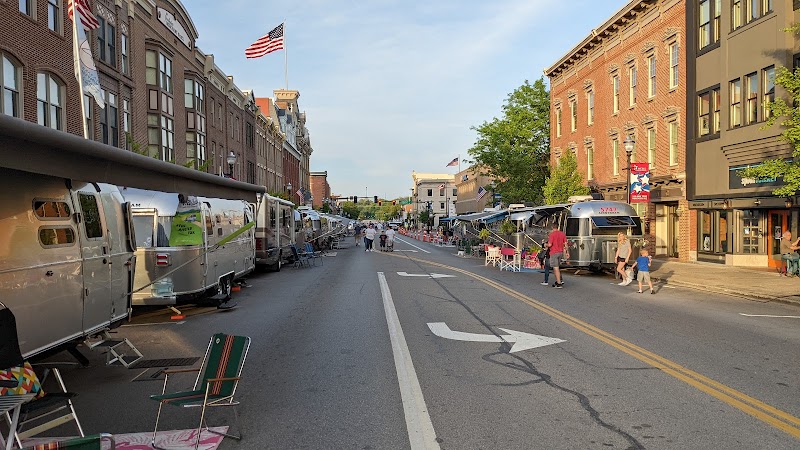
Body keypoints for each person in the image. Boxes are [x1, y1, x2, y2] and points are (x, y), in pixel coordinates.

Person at [547, 223, 567, 288]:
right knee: (557, 267)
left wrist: (545, 245)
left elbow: (550, 244)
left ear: (552, 227)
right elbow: (565, 244)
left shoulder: (552, 234)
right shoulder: (562, 234)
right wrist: (567, 252)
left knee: (555, 268)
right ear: (558, 227)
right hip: (560, 252)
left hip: (554, 252)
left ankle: (559, 283)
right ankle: (558, 280)